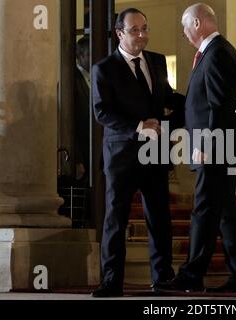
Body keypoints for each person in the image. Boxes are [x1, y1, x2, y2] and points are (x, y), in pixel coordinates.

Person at [156, 3, 236, 293]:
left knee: (203, 209)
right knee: (225, 212)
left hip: (216, 148)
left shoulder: (217, 54)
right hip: (221, 146)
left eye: (186, 26)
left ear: (198, 24)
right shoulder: (216, 52)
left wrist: (206, 143)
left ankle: (191, 274)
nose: (184, 33)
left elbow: (219, 105)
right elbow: (203, 102)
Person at [91, 7, 184, 297]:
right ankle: (111, 282)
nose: (142, 35)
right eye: (135, 30)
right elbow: (102, 112)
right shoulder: (104, 68)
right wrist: (138, 126)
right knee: (115, 219)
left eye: (145, 28)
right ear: (120, 33)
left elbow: (168, 99)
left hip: (155, 152)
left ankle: (163, 279)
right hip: (121, 155)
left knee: (159, 218)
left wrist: (197, 101)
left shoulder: (156, 61)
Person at [74, 36, 91, 184]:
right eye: (90, 55)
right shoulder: (71, 80)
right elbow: (69, 121)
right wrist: (77, 158)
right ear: (80, 56)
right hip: (83, 151)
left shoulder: (96, 77)